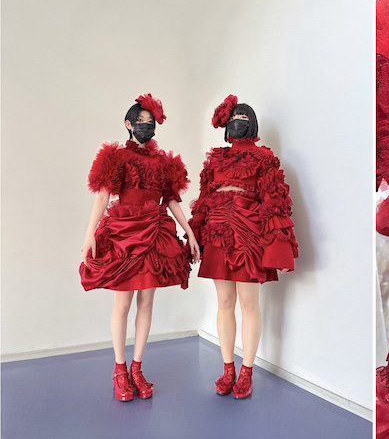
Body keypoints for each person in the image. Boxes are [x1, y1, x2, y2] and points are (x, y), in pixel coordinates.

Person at [80, 93, 200, 402]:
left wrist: (189, 232)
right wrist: (89, 234)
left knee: (146, 303)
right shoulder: (118, 157)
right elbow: (103, 196)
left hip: (154, 232)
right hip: (126, 233)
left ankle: (137, 368)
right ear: (128, 124)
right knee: (122, 304)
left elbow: (171, 199)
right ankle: (119, 369)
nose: (146, 126)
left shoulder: (163, 162)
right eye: (141, 122)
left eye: (150, 122)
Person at [189, 94, 298, 399]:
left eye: (244, 118)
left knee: (249, 304)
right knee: (224, 302)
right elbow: (204, 200)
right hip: (217, 233)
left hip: (249, 235)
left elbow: (275, 201)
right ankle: (228, 369)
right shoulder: (215, 160)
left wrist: (277, 244)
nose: (238, 122)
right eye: (234, 118)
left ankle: (247, 372)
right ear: (227, 126)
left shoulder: (265, 158)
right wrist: (196, 235)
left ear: (253, 125)